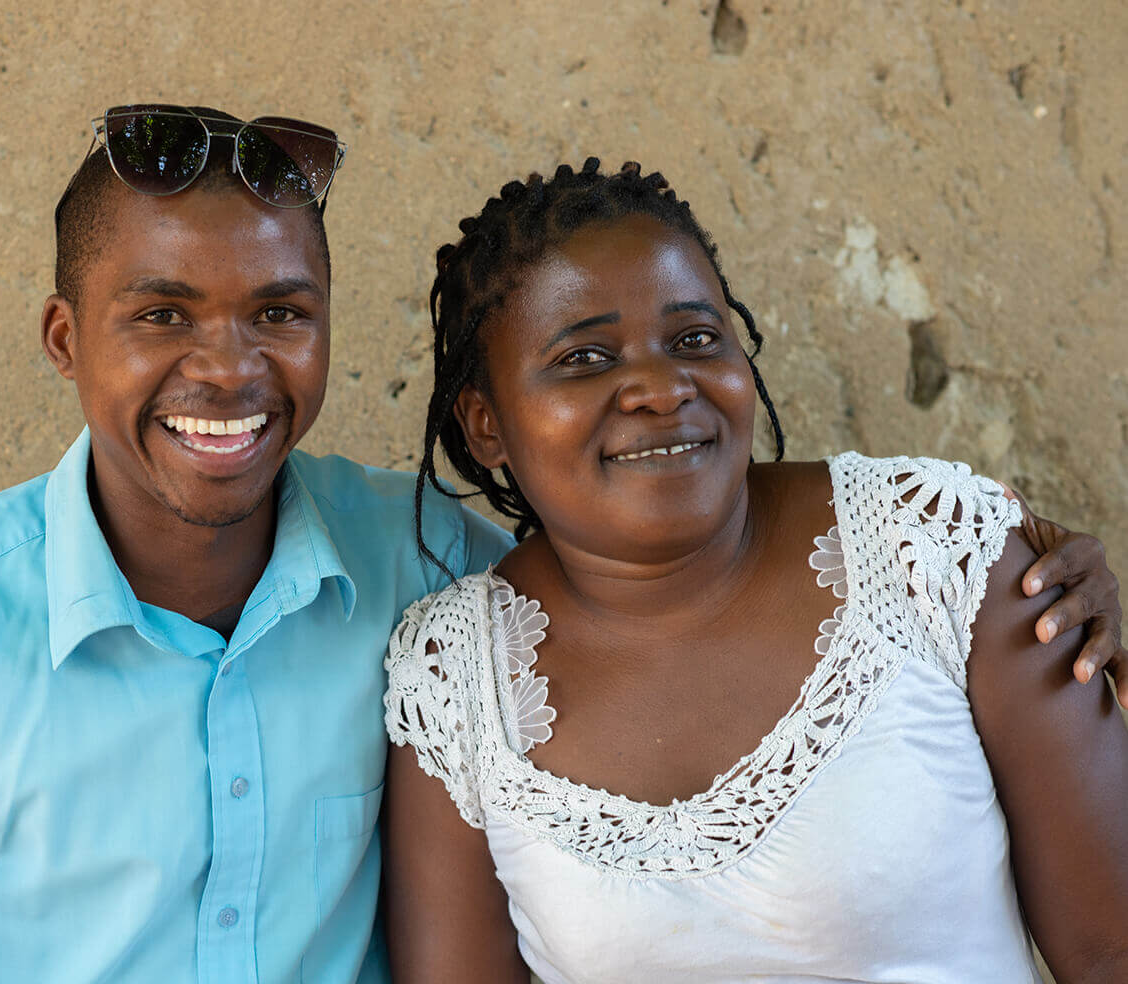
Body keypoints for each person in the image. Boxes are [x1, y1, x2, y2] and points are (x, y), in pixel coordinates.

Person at [0, 106, 1119, 983]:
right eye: (161, 315)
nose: (227, 371)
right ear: (67, 341)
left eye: (279, 313)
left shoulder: (422, 575)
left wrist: (1036, 580)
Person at [382, 157, 1128, 983]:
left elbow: (1110, 950)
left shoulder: (936, 550)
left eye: (695, 339)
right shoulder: (456, 681)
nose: (662, 389)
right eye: (585, 359)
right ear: (485, 425)